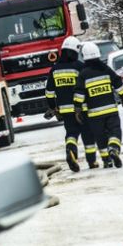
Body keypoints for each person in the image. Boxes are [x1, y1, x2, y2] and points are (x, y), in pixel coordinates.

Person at [43, 35, 99, 171]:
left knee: (71, 134)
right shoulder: (79, 67)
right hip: (82, 109)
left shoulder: (54, 69)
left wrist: (53, 108)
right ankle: (91, 161)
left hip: (65, 110)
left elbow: (49, 92)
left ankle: (71, 151)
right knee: (87, 134)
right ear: (74, 52)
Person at [74, 42, 123, 168]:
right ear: (98, 54)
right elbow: (117, 82)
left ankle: (106, 160)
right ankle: (114, 149)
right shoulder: (105, 69)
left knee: (100, 137)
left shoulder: (83, 74)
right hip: (111, 110)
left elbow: (79, 93)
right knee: (115, 131)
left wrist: (78, 109)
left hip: (94, 114)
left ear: (84, 57)